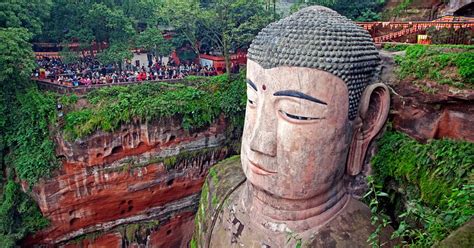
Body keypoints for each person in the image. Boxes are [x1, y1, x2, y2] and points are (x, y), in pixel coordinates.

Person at [194, 6, 395, 247]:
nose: (258, 143)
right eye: (251, 100)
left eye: (294, 114)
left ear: (367, 121)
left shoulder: (368, 239)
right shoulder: (220, 186)